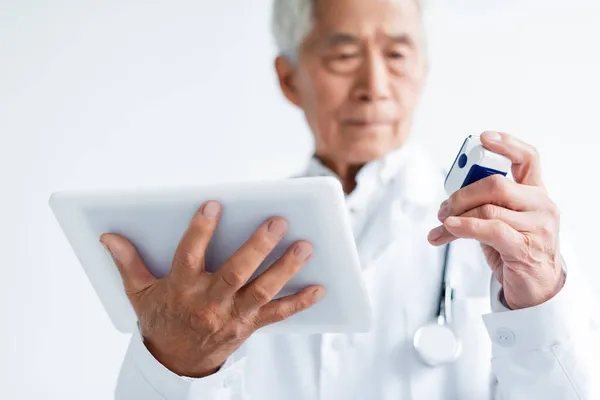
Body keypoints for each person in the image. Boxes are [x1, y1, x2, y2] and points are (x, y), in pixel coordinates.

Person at [100, 0, 600, 398]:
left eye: (398, 55)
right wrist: (176, 365)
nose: (375, 88)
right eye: (343, 56)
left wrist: (539, 302)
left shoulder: (516, 233)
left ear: (423, 69)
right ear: (290, 78)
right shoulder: (227, 250)